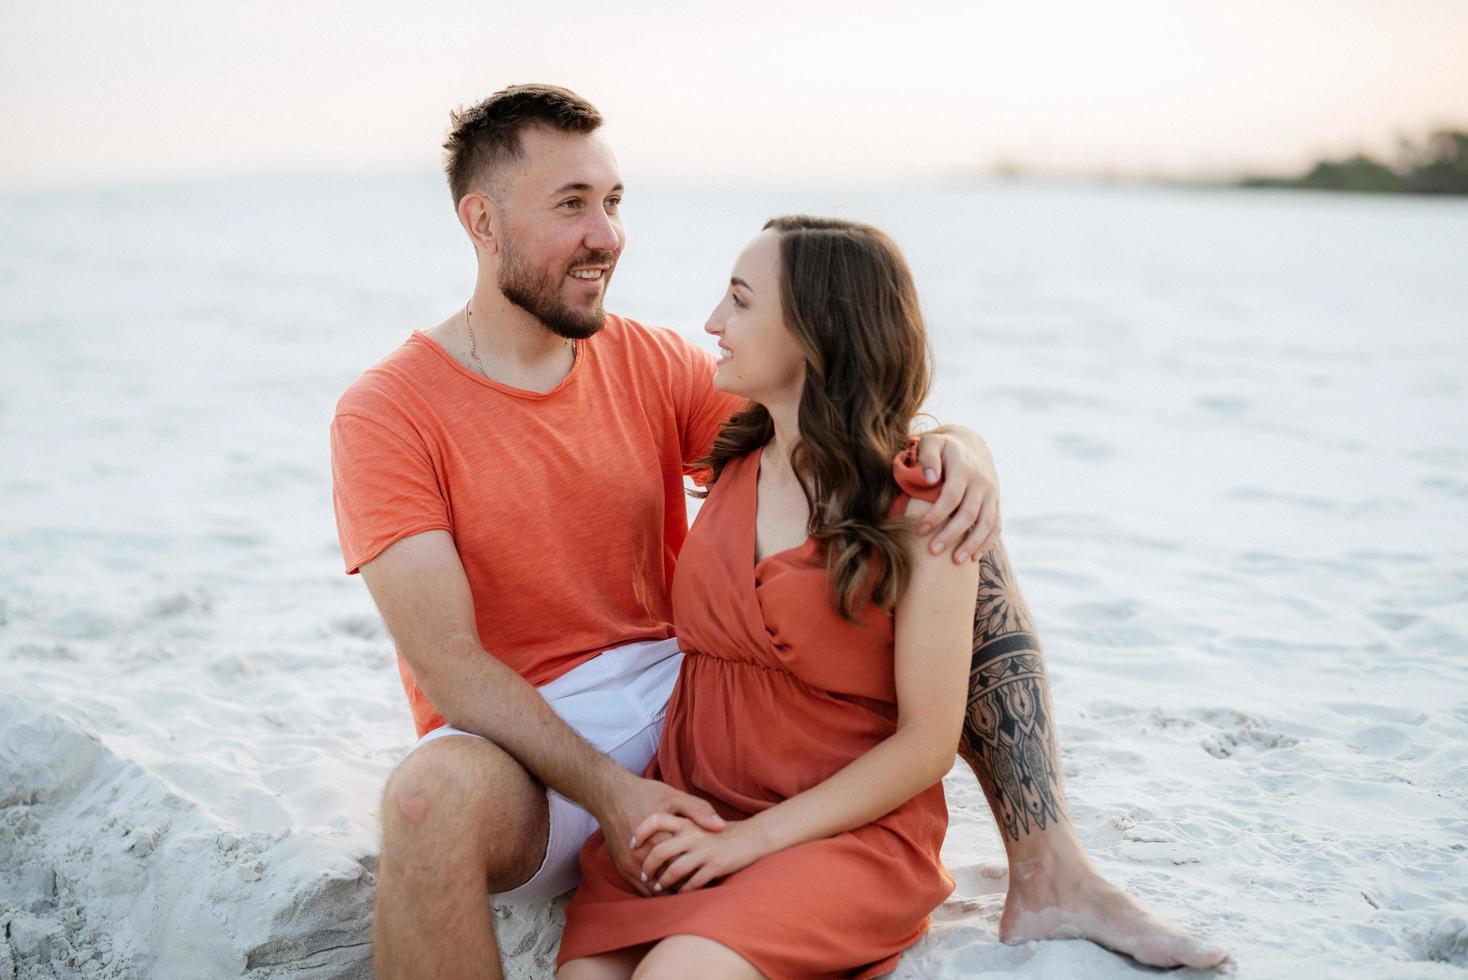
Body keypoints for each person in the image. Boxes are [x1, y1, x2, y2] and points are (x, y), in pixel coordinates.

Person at [328, 85, 1000, 980]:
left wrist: (963, 448)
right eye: (572, 205)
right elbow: (450, 666)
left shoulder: (653, 361)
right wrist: (612, 794)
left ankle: (1047, 844)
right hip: (539, 743)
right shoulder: (388, 412)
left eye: (612, 202)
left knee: (956, 518)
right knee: (424, 800)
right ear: (481, 222)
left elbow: (844, 424)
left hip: (688, 703)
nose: (606, 234)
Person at [555, 219, 1230, 978]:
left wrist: (749, 841)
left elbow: (926, 742)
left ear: (817, 331)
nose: (712, 322)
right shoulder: (736, 454)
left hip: (836, 839)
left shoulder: (916, 508)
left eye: (740, 302)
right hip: (694, 811)